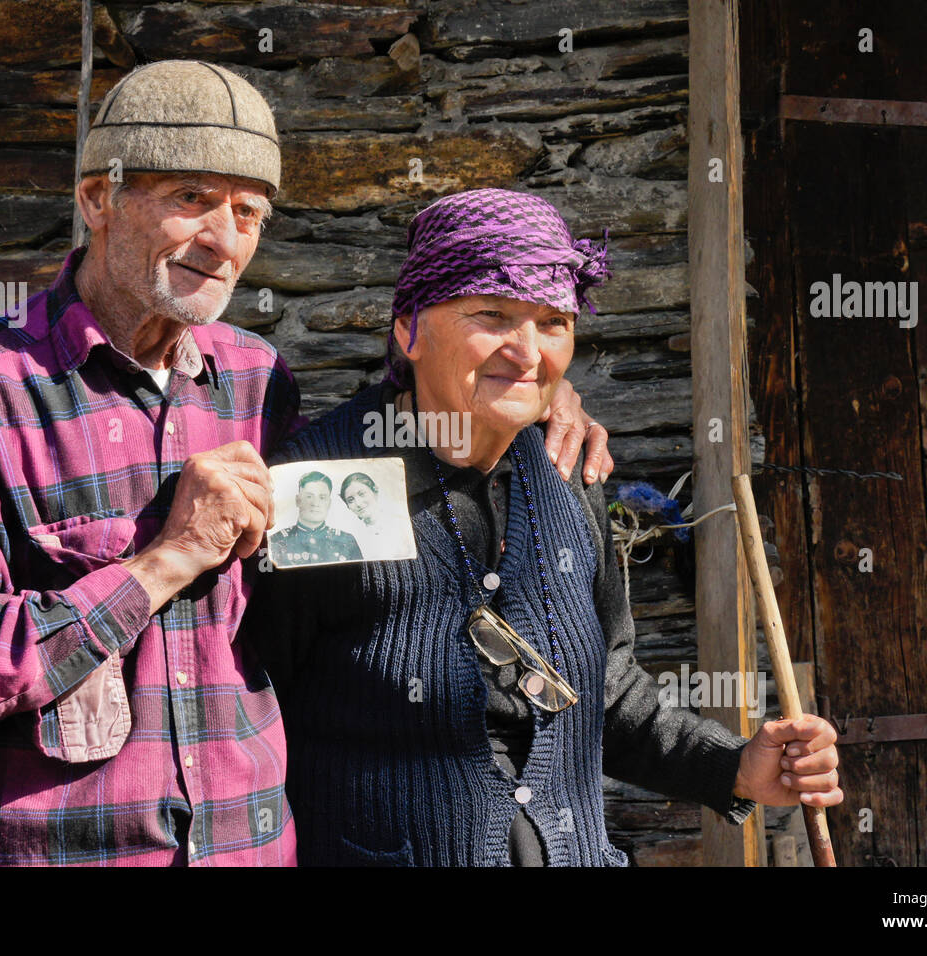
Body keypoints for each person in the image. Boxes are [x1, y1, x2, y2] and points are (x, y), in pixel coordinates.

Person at [0, 62, 611, 866]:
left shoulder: (256, 381)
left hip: (247, 846)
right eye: (192, 199)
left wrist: (533, 388)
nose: (224, 240)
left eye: (248, 212)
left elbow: (412, 391)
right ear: (98, 199)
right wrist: (166, 561)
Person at [243, 188, 842, 866]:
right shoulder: (313, 488)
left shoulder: (566, 473)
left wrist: (734, 767)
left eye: (553, 322)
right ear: (409, 329)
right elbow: (249, 710)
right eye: (492, 315)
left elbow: (604, 691)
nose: (527, 352)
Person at [269, 471, 363, 566]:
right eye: (309, 496)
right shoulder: (276, 541)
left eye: (322, 497)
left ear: (329, 503)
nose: (315, 504)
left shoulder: (346, 541)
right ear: (298, 501)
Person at [339, 472, 409, 561]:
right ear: (348, 506)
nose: (358, 503)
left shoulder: (400, 521)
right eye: (350, 500)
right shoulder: (355, 538)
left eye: (362, 494)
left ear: (375, 491)